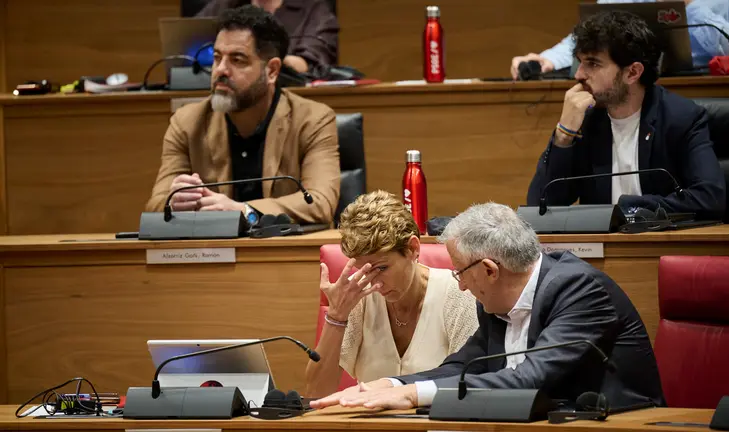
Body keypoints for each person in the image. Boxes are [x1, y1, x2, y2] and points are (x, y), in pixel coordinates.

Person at [310, 202, 665, 410]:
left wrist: (413, 395)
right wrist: (388, 384)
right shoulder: (494, 302)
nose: (460, 285)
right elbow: (463, 368)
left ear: (490, 270)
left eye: (461, 273)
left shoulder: (578, 290)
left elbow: (531, 379)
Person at [147, 5, 340, 224]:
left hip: (283, 253)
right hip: (213, 254)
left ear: (272, 71)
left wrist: (244, 210)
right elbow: (155, 206)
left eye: (237, 60)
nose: (221, 70)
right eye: (217, 58)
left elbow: (320, 202)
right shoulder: (186, 122)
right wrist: (173, 203)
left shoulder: (313, 119)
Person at [526, 10, 725, 219]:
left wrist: (628, 208)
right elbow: (539, 208)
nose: (579, 74)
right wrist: (563, 136)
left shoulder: (681, 118)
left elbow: (710, 199)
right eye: (580, 62)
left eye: (592, 64)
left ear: (632, 72)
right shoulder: (585, 120)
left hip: (662, 244)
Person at [305, 190, 478, 398]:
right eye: (363, 270)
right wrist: (336, 317)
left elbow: (469, 386)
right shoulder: (355, 296)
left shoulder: (459, 294)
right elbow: (316, 393)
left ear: (413, 249)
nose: (374, 283)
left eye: (381, 268)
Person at [511, 0, 729, 79]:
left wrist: (689, 4)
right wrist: (545, 60)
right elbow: (596, 31)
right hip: (633, 96)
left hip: (710, 103)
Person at [197, 0, 339, 75]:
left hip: (291, 99)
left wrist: (253, 60)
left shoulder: (314, 9)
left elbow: (309, 65)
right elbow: (186, 49)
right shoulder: (226, 5)